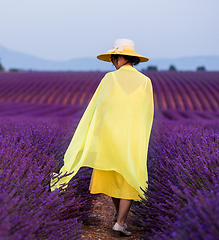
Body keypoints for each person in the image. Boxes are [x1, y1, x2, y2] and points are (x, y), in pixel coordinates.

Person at [51, 39, 154, 238]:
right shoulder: (146, 81)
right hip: (133, 137)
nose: (113, 62)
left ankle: (118, 218)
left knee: (112, 173)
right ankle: (121, 222)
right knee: (130, 176)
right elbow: (147, 114)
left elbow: (101, 106)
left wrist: (96, 131)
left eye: (114, 58)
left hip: (110, 135)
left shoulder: (111, 78)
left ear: (121, 57)